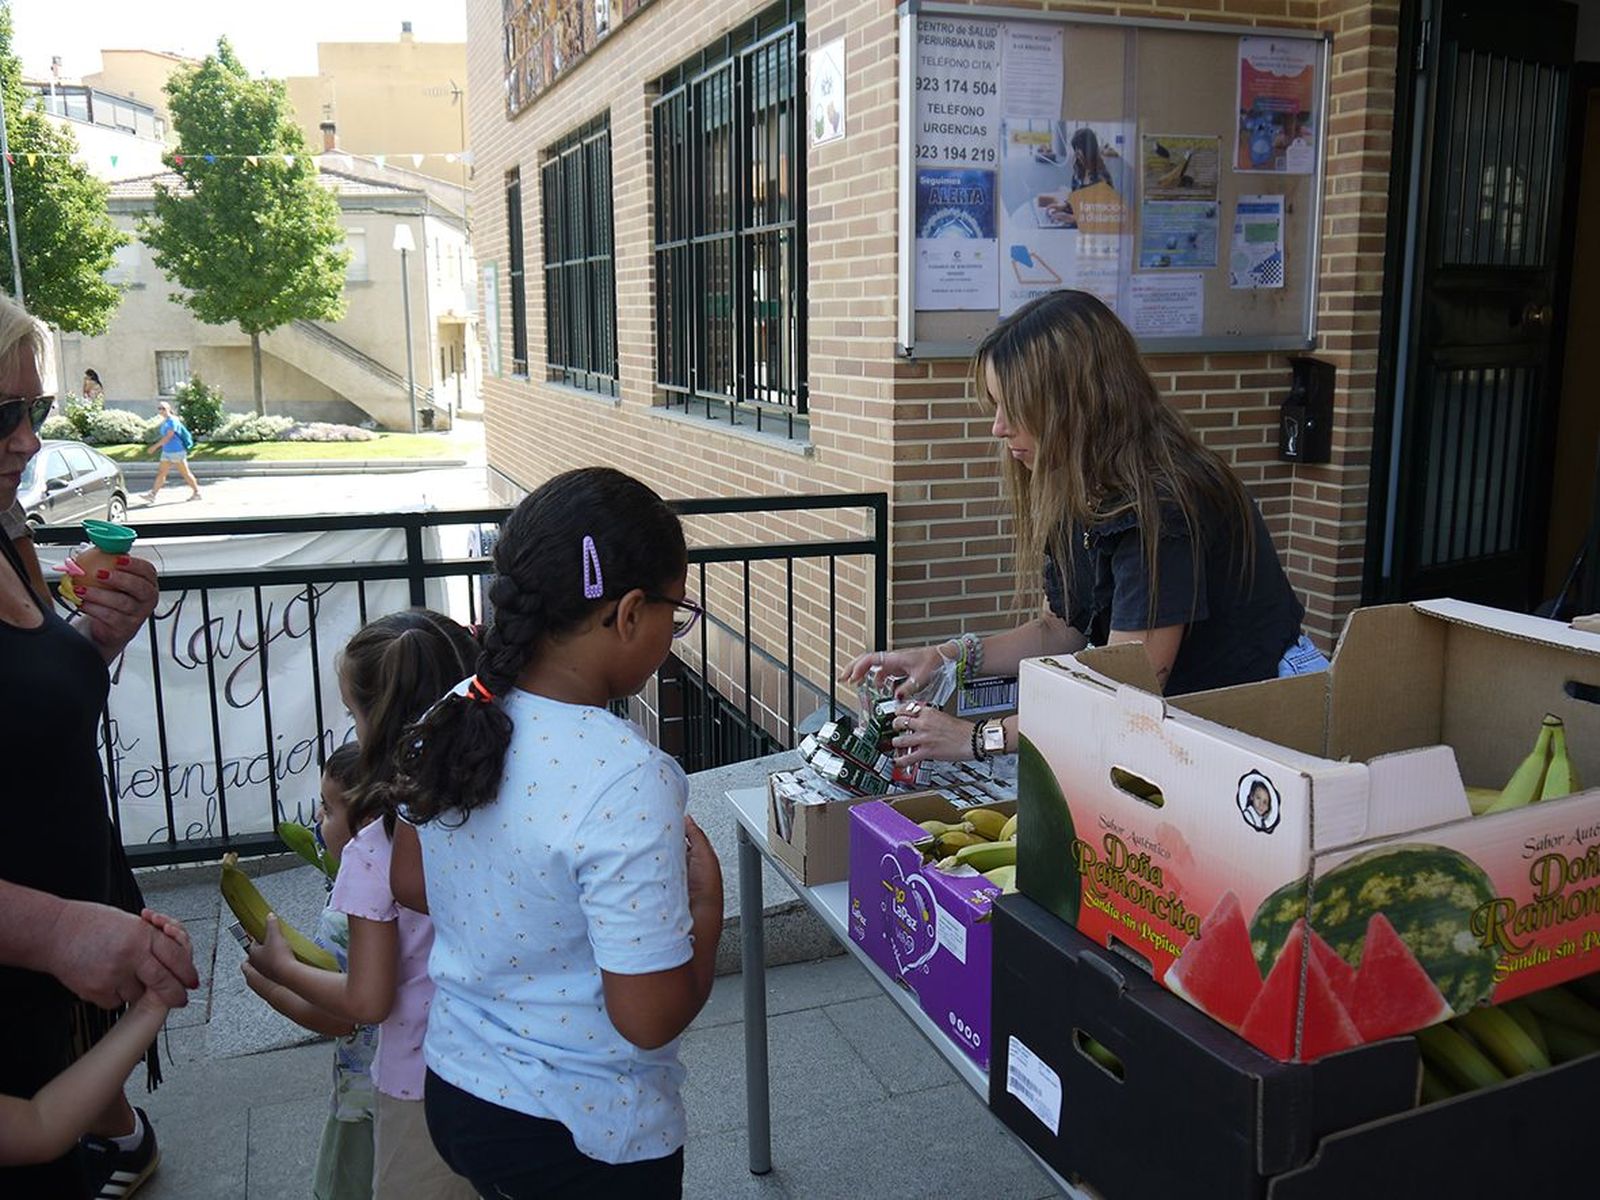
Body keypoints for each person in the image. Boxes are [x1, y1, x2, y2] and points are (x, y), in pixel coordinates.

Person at [385, 467, 723, 1200]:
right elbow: (650, 1017)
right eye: (678, 609)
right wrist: (706, 910)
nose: (675, 628)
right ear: (630, 612)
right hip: (584, 1138)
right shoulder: (628, 777)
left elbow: (409, 883)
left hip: (456, 1090)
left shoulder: (456, 710)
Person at [846, 289, 1326, 767]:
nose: (998, 427)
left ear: (1075, 403)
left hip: (1263, 712)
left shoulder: (1163, 505)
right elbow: (1062, 629)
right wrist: (947, 656)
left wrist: (978, 737)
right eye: (995, 405)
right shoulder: (1074, 482)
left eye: (1014, 406)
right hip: (1190, 716)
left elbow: (1129, 686)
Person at [0, 293, 198, 1198]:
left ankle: (121, 1146)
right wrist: (51, 931)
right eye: (5, 417)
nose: (30, 442)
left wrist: (96, 637)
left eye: (35, 412)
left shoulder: (7, 534)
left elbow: (30, 701)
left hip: (70, 897)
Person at [246, 610, 478, 1200]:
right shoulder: (493, 821)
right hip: (510, 1072)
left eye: (355, 713)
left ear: (380, 726)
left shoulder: (376, 851)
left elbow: (366, 1000)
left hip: (421, 1088)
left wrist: (282, 970)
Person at [239, 743, 378, 1200]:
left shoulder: (347, 911)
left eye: (327, 808)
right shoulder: (421, 882)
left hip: (366, 1094)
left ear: (366, 826)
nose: (318, 820)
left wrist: (271, 979)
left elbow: (337, 1015)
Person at [141, 400, 200, 504]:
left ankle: (197, 493)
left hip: (177, 451)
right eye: (159, 408)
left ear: (169, 409)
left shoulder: (173, 421)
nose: (161, 410)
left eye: (163, 408)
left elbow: (169, 436)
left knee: (185, 473)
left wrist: (154, 447)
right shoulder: (166, 421)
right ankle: (152, 495)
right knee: (161, 473)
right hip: (167, 452)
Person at [1069, 127, 1113, 191]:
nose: (1076, 155)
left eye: (1078, 151)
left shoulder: (1102, 176)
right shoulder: (1078, 169)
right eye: (1075, 150)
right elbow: (1074, 191)